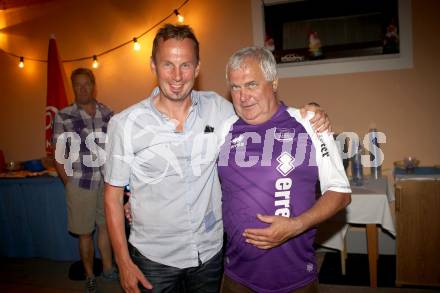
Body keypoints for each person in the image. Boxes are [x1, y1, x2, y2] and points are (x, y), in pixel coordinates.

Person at [104, 24, 330, 293]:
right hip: (154, 259)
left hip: (209, 254)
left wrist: (311, 113)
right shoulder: (125, 124)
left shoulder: (220, 109)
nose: (177, 76)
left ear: (198, 68)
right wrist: (122, 261)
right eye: (168, 64)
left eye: (186, 65)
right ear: (153, 66)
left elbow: (262, 107)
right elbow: (112, 198)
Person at [217, 47, 352, 293]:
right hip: (236, 276)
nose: (242, 96)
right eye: (235, 87)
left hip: (294, 278)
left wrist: (297, 225)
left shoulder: (308, 124)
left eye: (251, 84)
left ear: (274, 82)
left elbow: (340, 192)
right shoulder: (224, 129)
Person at [53, 68, 117, 293]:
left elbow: (116, 148)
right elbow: (58, 154)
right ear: (73, 88)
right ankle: (90, 275)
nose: (82, 89)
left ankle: (109, 269)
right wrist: (68, 183)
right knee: (84, 233)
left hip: (106, 183)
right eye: (77, 85)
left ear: (94, 85)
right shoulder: (64, 115)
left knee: (106, 228)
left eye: (86, 84)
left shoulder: (108, 113)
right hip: (80, 184)